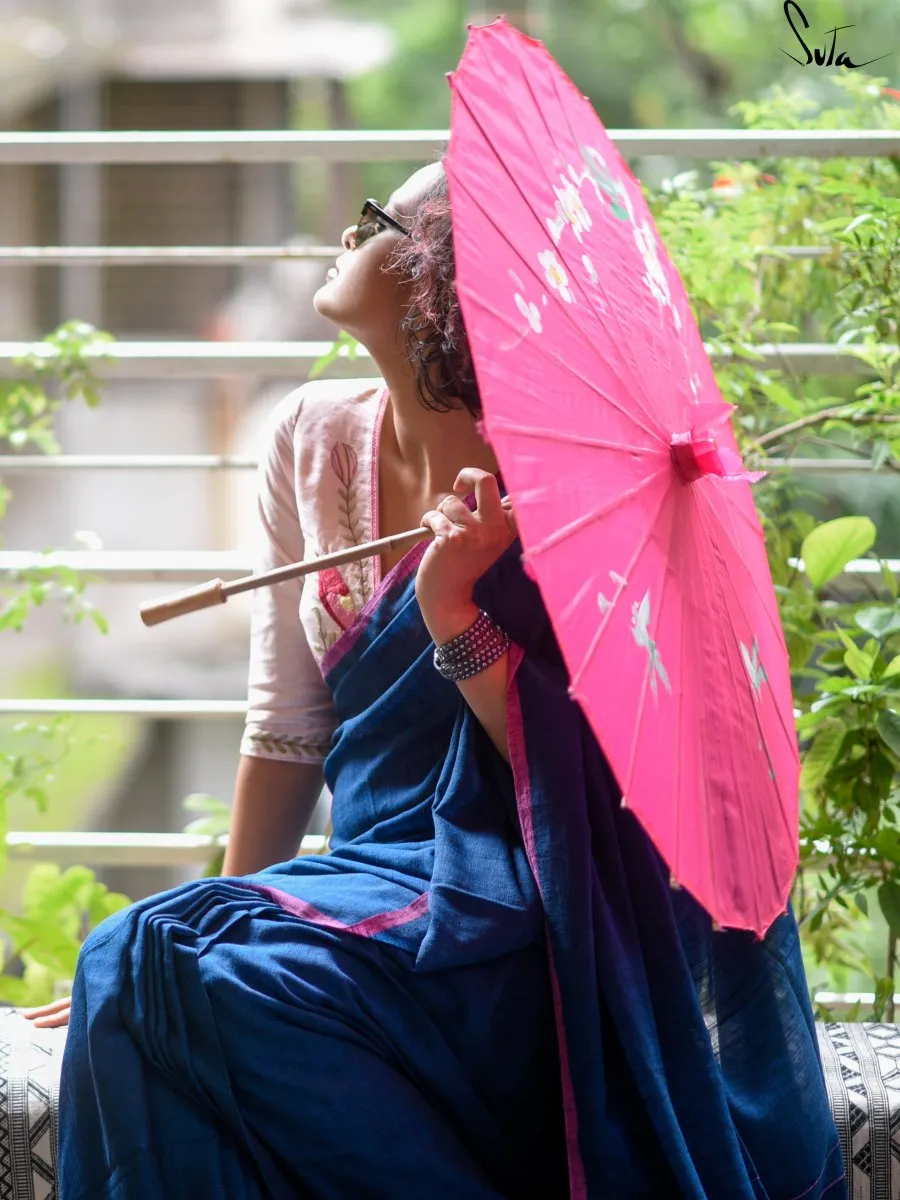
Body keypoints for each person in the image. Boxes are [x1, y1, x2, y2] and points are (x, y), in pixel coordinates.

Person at [26, 159, 845, 1200]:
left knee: (155, 963)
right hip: (372, 893)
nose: (346, 230)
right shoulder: (311, 438)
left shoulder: (592, 493)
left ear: (442, 287)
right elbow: (289, 727)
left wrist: (455, 611)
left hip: (526, 917)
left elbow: (606, 785)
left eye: (376, 220)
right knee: (141, 959)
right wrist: (229, 907)